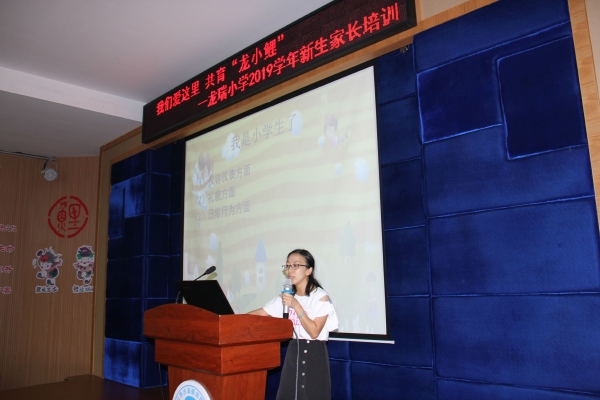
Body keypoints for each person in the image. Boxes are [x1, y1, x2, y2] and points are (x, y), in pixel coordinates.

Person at [249, 249, 338, 400]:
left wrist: (296, 305)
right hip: (293, 352)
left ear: (309, 270)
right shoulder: (287, 296)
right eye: (288, 266)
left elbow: (314, 332)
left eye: (295, 265)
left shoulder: (320, 297)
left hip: (314, 355)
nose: (290, 270)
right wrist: (228, 319)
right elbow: (261, 313)